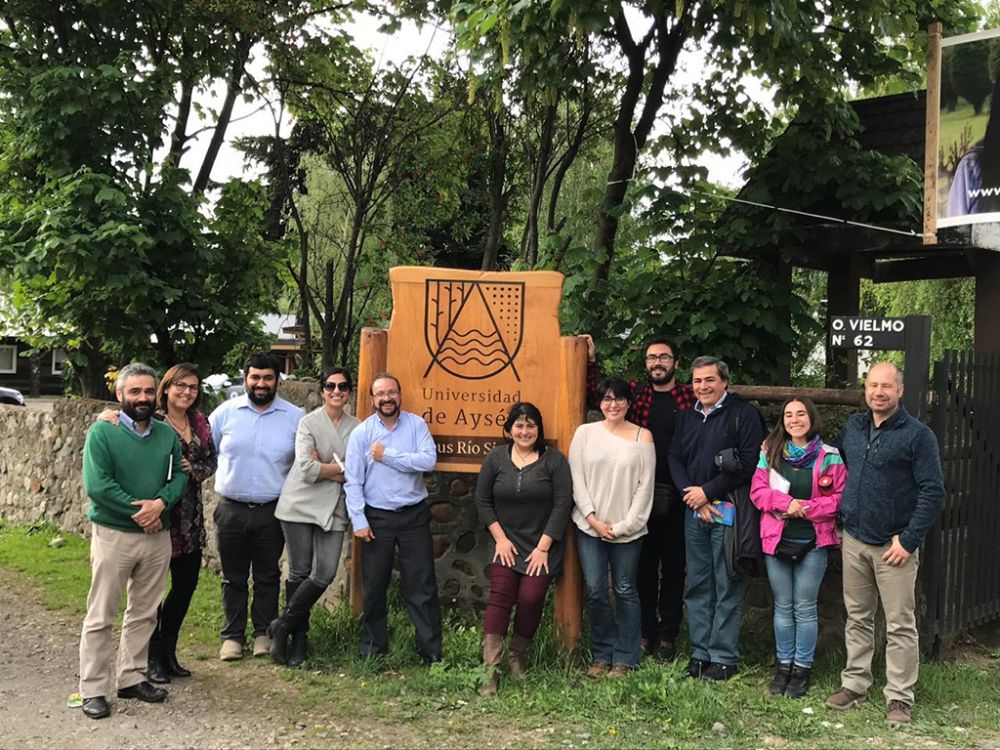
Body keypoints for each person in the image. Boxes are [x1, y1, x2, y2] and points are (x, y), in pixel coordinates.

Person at [825, 362, 944, 726]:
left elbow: (933, 491)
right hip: (855, 538)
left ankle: (899, 698)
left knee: (900, 624)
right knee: (858, 617)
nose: (879, 392)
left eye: (886, 386)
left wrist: (908, 541)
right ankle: (856, 684)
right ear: (866, 389)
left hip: (894, 547)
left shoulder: (917, 435)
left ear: (900, 391)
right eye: (873, 385)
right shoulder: (854, 428)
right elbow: (842, 471)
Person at [78, 363, 188, 720]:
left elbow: (178, 479)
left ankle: (131, 677)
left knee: (144, 611)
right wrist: (139, 511)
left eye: (147, 391)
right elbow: (98, 485)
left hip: (156, 536)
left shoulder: (166, 434)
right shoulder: (102, 432)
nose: (142, 398)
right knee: (101, 614)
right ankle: (93, 689)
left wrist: (161, 504)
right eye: (135, 391)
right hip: (114, 535)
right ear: (120, 394)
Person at [97, 363, 218, 684]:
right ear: (166, 388)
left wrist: (193, 469)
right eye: (180, 385)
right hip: (160, 516)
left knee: (184, 587)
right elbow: (120, 420)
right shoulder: (153, 418)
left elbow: (211, 461)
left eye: (193, 387)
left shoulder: (201, 422)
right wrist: (103, 414)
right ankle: (150, 658)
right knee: (148, 595)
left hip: (189, 517)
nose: (187, 392)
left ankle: (168, 651)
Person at [583, 333, 696, 662]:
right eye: (652, 358)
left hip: (680, 494)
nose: (657, 363)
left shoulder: (690, 396)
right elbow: (599, 397)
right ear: (645, 363)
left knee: (675, 570)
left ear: (675, 362)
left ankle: (667, 637)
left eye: (663, 357)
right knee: (643, 570)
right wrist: (591, 361)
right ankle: (644, 632)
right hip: (636, 496)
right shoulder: (636, 393)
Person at [667, 356, 765, 681]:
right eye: (697, 381)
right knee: (697, 584)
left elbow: (750, 464)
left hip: (729, 511)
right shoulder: (686, 418)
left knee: (726, 582)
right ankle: (700, 654)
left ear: (724, 381)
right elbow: (674, 457)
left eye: (709, 380)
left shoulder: (743, 414)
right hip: (693, 510)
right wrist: (690, 494)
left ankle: (723, 657)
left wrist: (707, 492)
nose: (703, 387)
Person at [209, 353, 303, 661]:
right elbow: (203, 448)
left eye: (267, 378)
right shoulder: (224, 414)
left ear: (278, 381)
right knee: (233, 576)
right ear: (245, 378)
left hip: (272, 510)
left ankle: (263, 633)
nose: (261, 384)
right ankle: (232, 637)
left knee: (267, 576)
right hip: (231, 508)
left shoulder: (295, 417)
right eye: (255, 377)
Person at [474, 402, 573, 696]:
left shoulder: (554, 461)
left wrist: (544, 547)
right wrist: (500, 539)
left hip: (541, 545)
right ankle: (489, 670)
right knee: (500, 598)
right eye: (519, 425)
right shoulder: (495, 459)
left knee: (531, 598)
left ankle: (517, 654)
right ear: (509, 430)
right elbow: (482, 501)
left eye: (531, 426)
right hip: (505, 542)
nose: (525, 431)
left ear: (539, 429)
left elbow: (562, 504)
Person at [750, 397, 846, 698]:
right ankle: (783, 667)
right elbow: (758, 491)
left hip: (814, 540)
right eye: (788, 415)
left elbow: (840, 499)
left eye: (800, 414)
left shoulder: (830, 456)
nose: (794, 420)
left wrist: (804, 508)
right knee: (783, 606)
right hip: (776, 539)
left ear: (811, 418)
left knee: (805, 608)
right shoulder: (770, 451)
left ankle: (802, 670)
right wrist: (785, 503)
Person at [344, 372, 442, 663]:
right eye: (380, 394)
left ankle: (431, 653)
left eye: (391, 392)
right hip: (377, 518)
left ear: (400, 395)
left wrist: (388, 455)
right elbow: (352, 481)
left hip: (413, 516)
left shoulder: (416, 425)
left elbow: (428, 461)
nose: (387, 398)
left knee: (422, 584)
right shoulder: (361, 434)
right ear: (372, 399)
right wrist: (359, 520)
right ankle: (373, 648)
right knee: (374, 585)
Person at [268, 367, 361, 667]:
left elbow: (358, 471)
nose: (337, 391)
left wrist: (325, 466)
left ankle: (282, 625)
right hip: (299, 505)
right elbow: (306, 471)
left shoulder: (358, 428)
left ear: (350, 391)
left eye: (343, 386)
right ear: (322, 391)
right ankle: (298, 641)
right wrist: (341, 469)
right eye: (330, 386)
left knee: (324, 573)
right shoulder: (308, 422)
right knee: (298, 572)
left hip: (334, 507)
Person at [569, 376, 655, 678]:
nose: (613, 404)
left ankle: (626, 657)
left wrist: (623, 527)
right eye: (606, 398)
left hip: (628, 531)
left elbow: (645, 488)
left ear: (628, 402)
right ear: (599, 403)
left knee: (625, 589)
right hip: (589, 527)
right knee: (595, 590)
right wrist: (592, 518)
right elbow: (576, 479)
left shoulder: (642, 437)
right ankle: (602, 653)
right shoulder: (584, 433)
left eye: (619, 398)